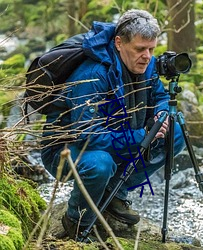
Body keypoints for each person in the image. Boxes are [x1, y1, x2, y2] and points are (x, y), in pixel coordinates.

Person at [41, 9, 185, 241]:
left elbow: (159, 96)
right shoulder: (92, 75)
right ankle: (76, 221)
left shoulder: (145, 64)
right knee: (100, 164)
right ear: (119, 43)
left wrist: (161, 114)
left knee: (175, 132)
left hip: (118, 136)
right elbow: (87, 135)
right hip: (67, 149)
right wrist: (142, 135)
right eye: (140, 49)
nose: (147, 56)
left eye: (152, 49)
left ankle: (114, 191)